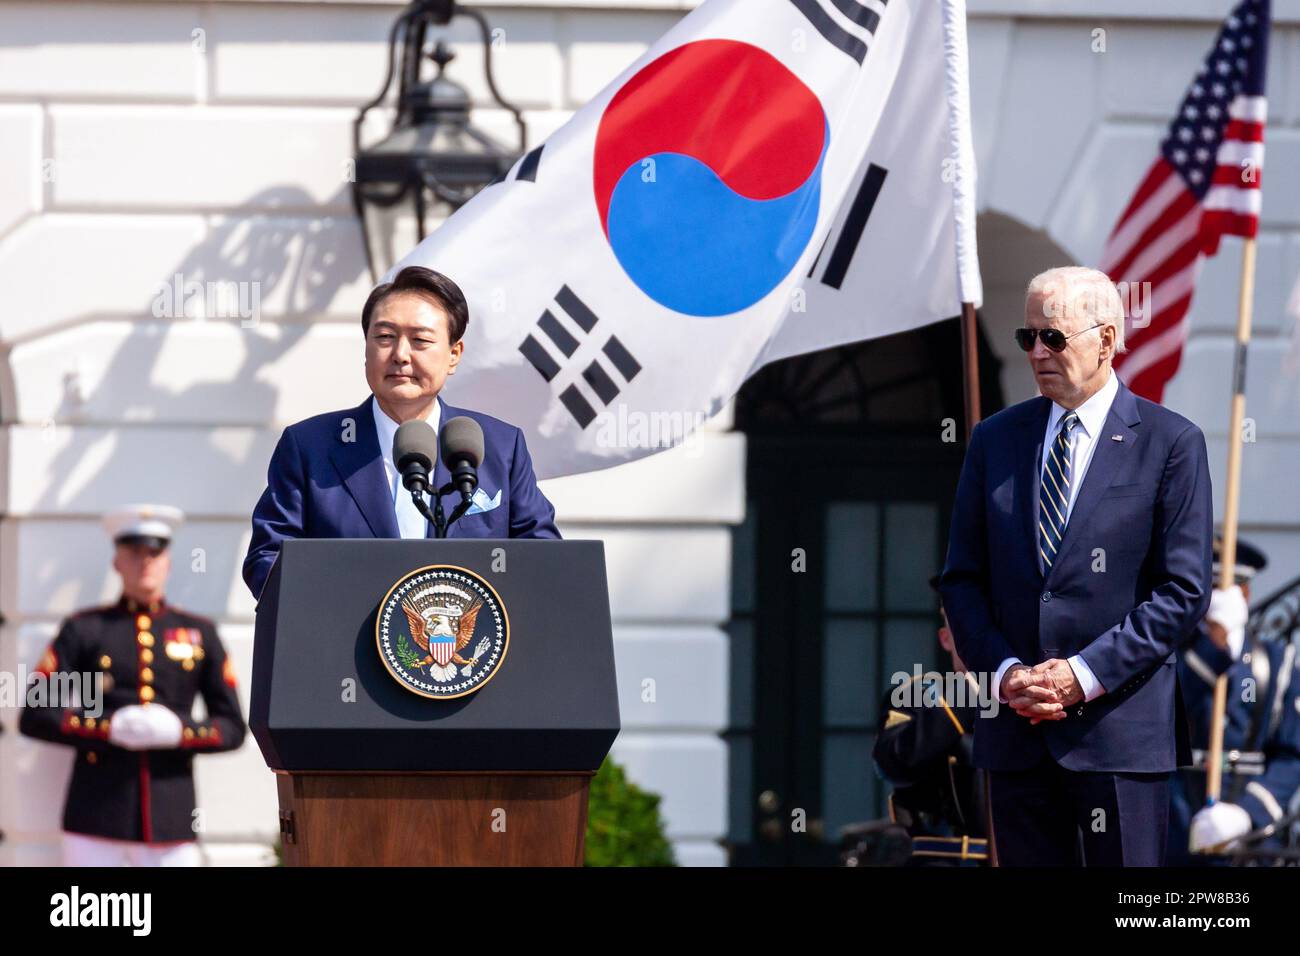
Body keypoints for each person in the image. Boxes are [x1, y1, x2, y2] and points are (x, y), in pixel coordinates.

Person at [938, 266, 1213, 867]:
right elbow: (961, 579)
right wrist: (1008, 672)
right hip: (1016, 736)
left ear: (1106, 340)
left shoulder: (1170, 443)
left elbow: (1184, 591)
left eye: (1054, 338)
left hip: (1119, 737)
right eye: (1027, 338)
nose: (1038, 352)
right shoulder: (995, 440)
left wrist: (1082, 675)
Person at [243, 266, 560, 600]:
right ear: (366, 348)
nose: (400, 355)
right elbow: (268, 559)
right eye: (385, 337)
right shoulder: (309, 447)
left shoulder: (499, 447)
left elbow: (544, 560)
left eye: (420, 340)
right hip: (343, 647)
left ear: (454, 355)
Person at [19, 505, 247, 866]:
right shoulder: (85, 630)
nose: (145, 562)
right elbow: (36, 714)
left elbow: (233, 727)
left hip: (171, 819)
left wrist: (180, 731)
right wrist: (109, 728)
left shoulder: (200, 632)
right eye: (134, 552)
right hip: (95, 818)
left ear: (168, 561)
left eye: (154, 553)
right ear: (117, 562)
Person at [1169, 537, 1300, 863]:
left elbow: (1293, 754)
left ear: (1244, 593)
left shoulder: (1277, 662)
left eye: (1221, 587)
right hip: (1176, 823)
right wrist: (1211, 650)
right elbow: (1160, 717)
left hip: (1249, 841)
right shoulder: (1171, 657)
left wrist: (1246, 814)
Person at [871, 575, 989, 865]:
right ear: (946, 638)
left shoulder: (1036, 693)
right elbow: (894, 763)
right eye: (963, 624)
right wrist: (969, 691)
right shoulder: (915, 695)